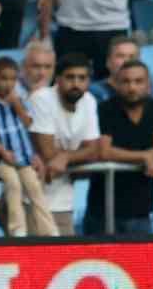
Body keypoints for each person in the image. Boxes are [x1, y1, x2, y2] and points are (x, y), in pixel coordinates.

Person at [0, 53, 57, 237]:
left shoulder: (20, 101)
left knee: (34, 188)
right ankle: (18, 230)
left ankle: (49, 230)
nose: (8, 84)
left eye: (13, 79)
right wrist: (2, 151)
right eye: (3, 79)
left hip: (23, 156)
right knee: (13, 185)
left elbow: (27, 124)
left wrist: (17, 105)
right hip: (2, 159)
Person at [30, 51, 104, 234]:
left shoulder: (89, 101)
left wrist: (65, 155)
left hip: (64, 198)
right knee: (34, 261)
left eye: (82, 78)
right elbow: (46, 152)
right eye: (70, 77)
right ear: (58, 78)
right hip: (32, 198)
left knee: (62, 257)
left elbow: (94, 150)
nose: (76, 84)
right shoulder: (41, 98)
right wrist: (77, 155)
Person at [90, 58, 153, 234]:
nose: (132, 88)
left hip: (141, 209)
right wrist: (145, 156)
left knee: (141, 261)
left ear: (148, 84)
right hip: (103, 209)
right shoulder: (105, 109)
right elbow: (104, 151)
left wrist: (150, 156)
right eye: (126, 81)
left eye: (138, 81)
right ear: (116, 84)